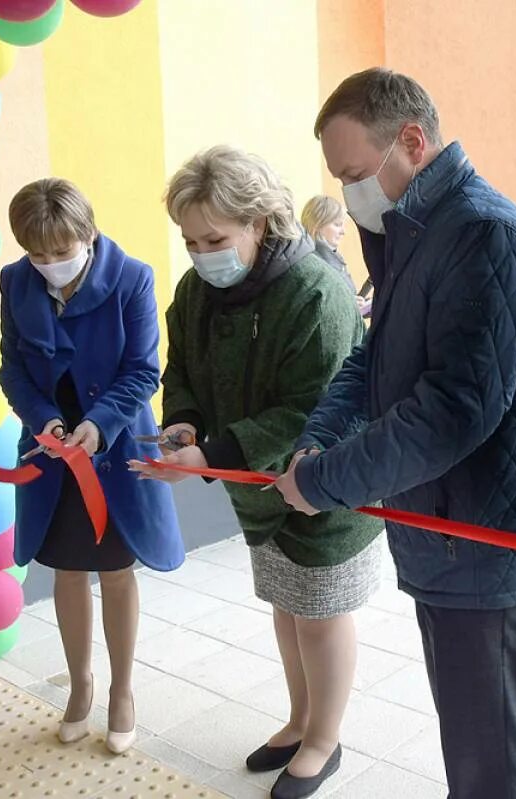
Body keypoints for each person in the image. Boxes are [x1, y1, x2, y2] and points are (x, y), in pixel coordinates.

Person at [273, 68, 516, 799]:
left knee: (490, 757)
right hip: (445, 530)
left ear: (411, 141)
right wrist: (320, 439)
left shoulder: (482, 235)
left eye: (354, 173)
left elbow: (453, 410)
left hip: (486, 541)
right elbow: (375, 357)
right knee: (471, 741)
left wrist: (324, 482)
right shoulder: (417, 230)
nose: (348, 193)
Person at [133, 146, 383, 799]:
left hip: (324, 485)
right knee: (286, 601)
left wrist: (211, 457)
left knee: (321, 613)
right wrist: (183, 423)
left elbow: (313, 405)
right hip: (258, 491)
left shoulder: (317, 292)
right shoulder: (196, 289)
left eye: (214, 238)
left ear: (261, 222)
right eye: (189, 239)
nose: (200, 252)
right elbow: (181, 367)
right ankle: (299, 719)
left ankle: (324, 739)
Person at [0, 178, 185, 754]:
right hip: (51, 448)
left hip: (115, 443)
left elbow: (142, 370)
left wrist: (99, 424)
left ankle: (123, 691)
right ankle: (80, 685)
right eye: (38, 254)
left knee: (116, 566)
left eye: (62, 251)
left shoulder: (132, 278)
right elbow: (13, 369)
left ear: (89, 234)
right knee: (67, 567)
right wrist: (43, 420)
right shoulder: (14, 281)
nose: (50, 264)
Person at [301, 195, 370, 319]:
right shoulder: (312, 264)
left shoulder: (333, 259)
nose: (343, 232)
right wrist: (347, 306)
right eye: (337, 225)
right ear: (317, 224)